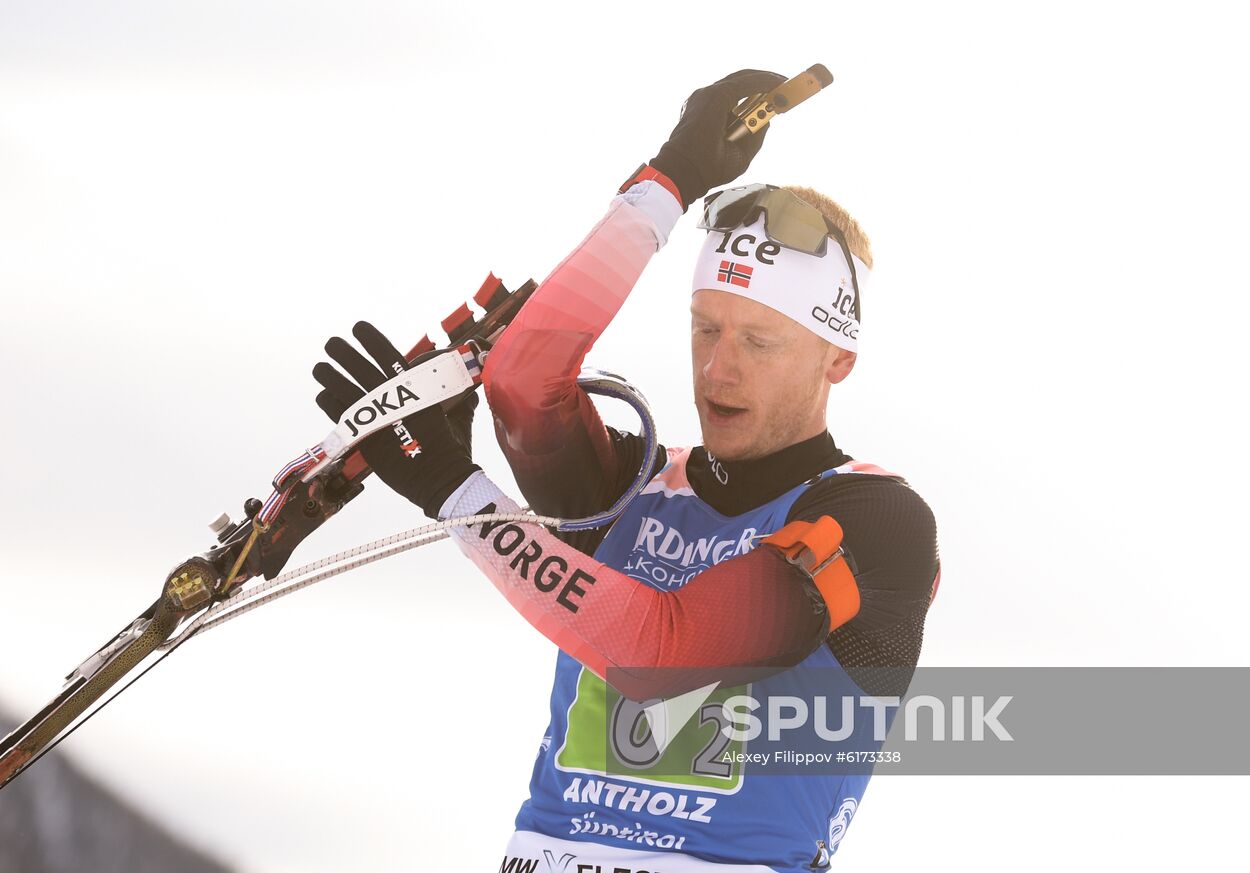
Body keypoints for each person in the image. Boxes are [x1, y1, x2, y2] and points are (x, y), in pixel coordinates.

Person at [313, 70, 939, 872]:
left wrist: (457, 494)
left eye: (760, 341)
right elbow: (522, 378)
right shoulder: (636, 486)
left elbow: (663, 653)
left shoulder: (879, 519)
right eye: (706, 328)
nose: (718, 369)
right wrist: (669, 182)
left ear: (837, 357)